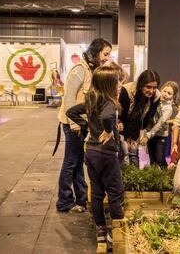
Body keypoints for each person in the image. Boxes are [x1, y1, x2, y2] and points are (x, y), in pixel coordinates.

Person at [66, 66, 123, 249]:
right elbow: (107, 116)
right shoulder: (110, 102)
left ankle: (100, 231)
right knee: (115, 193)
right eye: (117, 82)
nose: (119, 85)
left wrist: (87, 127)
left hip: (91, 151)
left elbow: (71, 112)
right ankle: (116, 231)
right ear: (109, 85)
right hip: (106, 154)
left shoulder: (91, 100)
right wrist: (107, 131)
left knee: (97, 194)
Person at [55, 38, 112, 213]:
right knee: (71, 163)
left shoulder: (92, 69)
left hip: (81, 123)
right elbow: (69, 98)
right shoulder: (79, 69)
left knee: (79, 163)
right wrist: (74, 123)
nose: (107, 58)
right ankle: (64, 201)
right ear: (95, 51)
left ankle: (80, 199)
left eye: (108, 55)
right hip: (73, 123)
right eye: (105, 54)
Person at [119, 70, 161, 166]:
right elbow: (122, 115)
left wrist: (134, 136)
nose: (151, 91)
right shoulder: (126, 90)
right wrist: (126, 136)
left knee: (133, 152)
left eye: (154, 87)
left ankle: (134, 179)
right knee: (124, 153)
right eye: (148, 87)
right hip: (122, 127)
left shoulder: (156, 96)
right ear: (141, 85)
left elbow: (148, 117)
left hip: (136, 128)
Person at [139, 81, 179, 168]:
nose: (165, 94)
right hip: (151, 134)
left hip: (160, 135)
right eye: (164, 91)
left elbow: (159, 124)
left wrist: (148, 136)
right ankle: (154, 179)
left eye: (169, 93)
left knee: (160, 159)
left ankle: (165, 177)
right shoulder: (156, 100)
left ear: (173, 96)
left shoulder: (168, 108)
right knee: (152, 159)